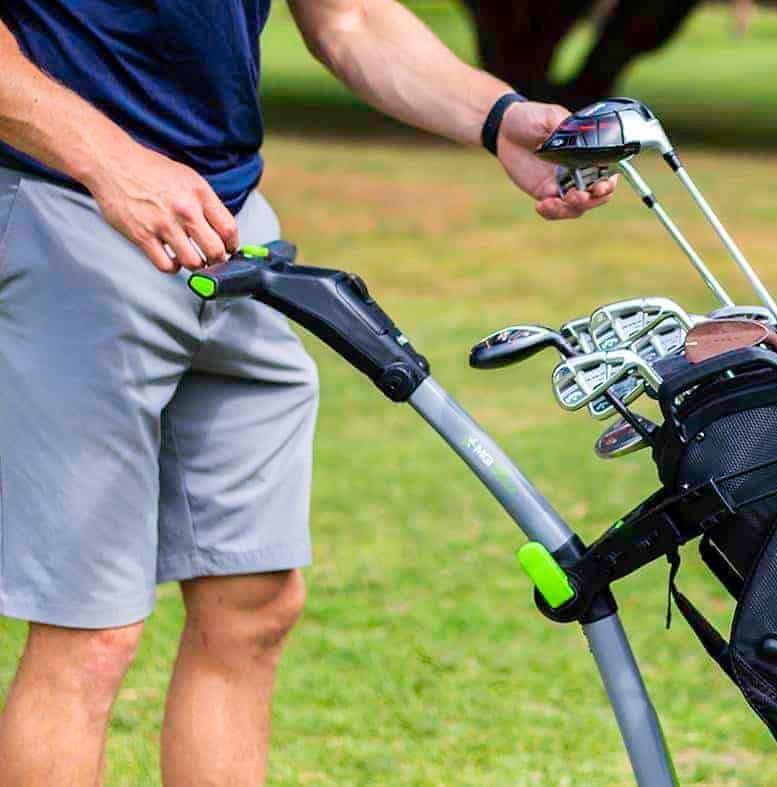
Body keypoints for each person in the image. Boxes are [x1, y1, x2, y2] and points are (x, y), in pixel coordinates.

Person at [0, 1, 616, 784]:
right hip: (66, 207)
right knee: (88, 632)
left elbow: (349, 18)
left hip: (232, 228)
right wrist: (110, 161)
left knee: (252, 600)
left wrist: (496, 117)